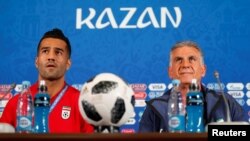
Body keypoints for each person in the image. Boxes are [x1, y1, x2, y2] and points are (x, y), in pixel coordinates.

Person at [138, 40, 247, 132]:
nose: (185, 65)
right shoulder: (154, 107)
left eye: (192, 59)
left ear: (203, 70)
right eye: (178, 60)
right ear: (170, 71)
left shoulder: (225, 102)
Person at [0, 28, 94, 133]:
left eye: (58, 52)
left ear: (68, 63)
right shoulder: (17, 102)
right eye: (45, 51)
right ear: (36, 61)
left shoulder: (82, 103)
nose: (51, 57)